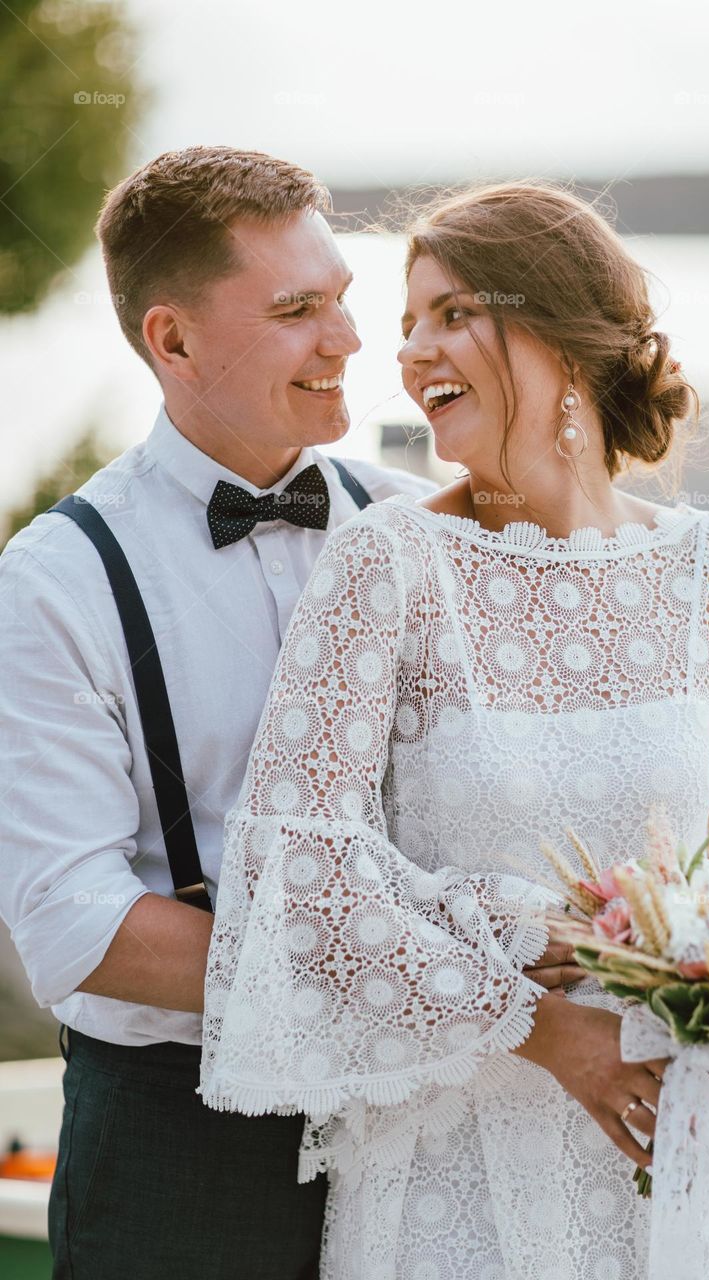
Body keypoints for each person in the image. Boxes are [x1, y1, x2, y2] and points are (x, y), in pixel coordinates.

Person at [198, 181, 709, 1279]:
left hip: (687, 1140)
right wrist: (536, 1020)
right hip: (463, 1163)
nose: (410, 353)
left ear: (561, 332)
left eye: (451, 313)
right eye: (409, 325)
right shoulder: (387, 564)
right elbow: (297, 870)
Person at [0, 145, 437, 1279]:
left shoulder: (414, 525)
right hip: (178, 1146)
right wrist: (391, 976)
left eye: (342, 297)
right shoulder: (55, 581)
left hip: (427, 1124)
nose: (348, 340)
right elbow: (73, 919)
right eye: (296, 310)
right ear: (173, 339)